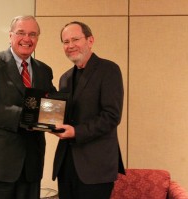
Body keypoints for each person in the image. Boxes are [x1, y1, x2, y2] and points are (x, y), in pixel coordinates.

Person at [0, 15, 56, 199]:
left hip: (31, 168)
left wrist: (59, 119)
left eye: (33, 34)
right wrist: (28, 116)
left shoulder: (44, 70)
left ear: (38, 38)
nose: (27, 38)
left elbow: (52, 107)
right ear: (10, 36)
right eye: (21, 33)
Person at [51, 21, 125, 199]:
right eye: (65, 41)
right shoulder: (65, 78)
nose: (70, 46)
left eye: (75, 39)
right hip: (66, 164)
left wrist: (76, 131)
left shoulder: (109, 70)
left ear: (90, 40)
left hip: (95, 167)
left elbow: (111, 116)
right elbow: (62, 115)